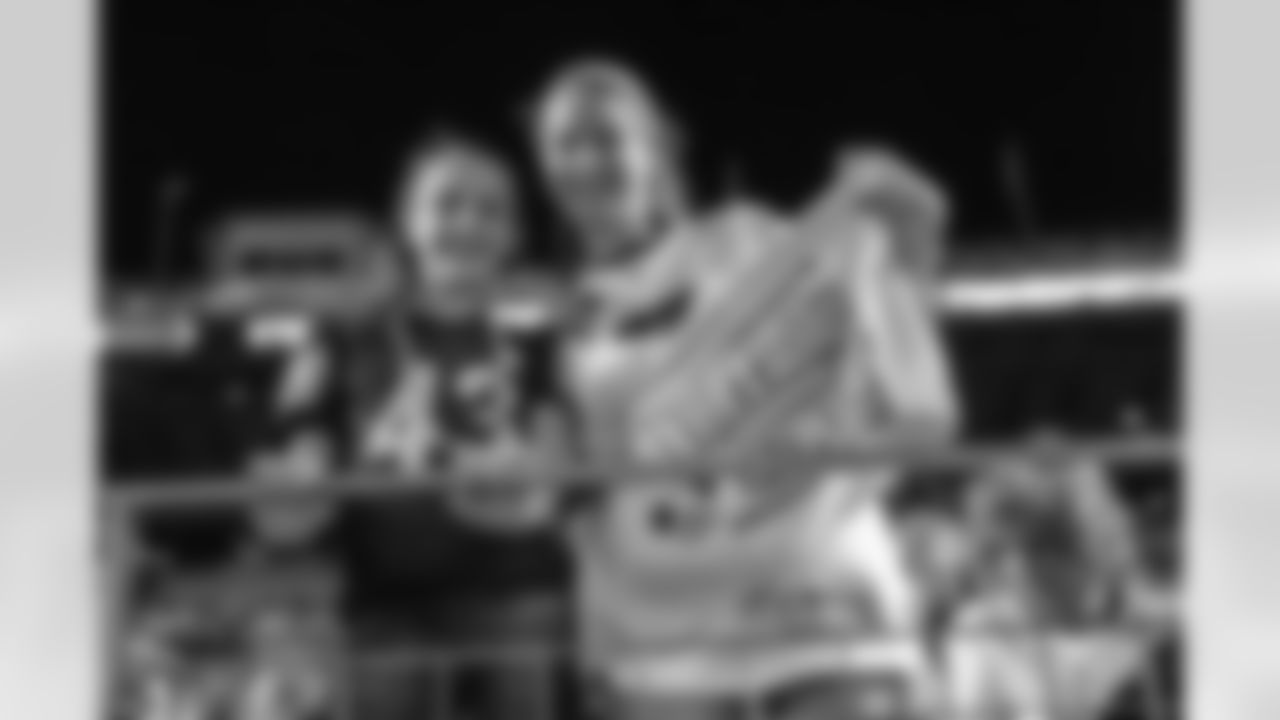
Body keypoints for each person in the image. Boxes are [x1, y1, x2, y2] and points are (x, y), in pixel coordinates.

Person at [526, 58, 959, 720]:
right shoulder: (561, 328)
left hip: (825, 615)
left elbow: (878, 334)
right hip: (665, 655)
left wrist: (900, 244)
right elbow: (570, 498)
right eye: (566, 143)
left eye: (607, 136)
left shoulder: (749, 237)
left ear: (657, 146)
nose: (587, 159)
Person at [339, 130, 571, 720]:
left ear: (514, 235)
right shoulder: (351, 340)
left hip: (513, 593)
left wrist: (516, 485)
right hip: (386, 601)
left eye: (490, 210)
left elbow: (552, 475)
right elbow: (294, 474)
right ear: (408, 221)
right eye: (446, 203)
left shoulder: (540, 344)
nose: (467, 223)